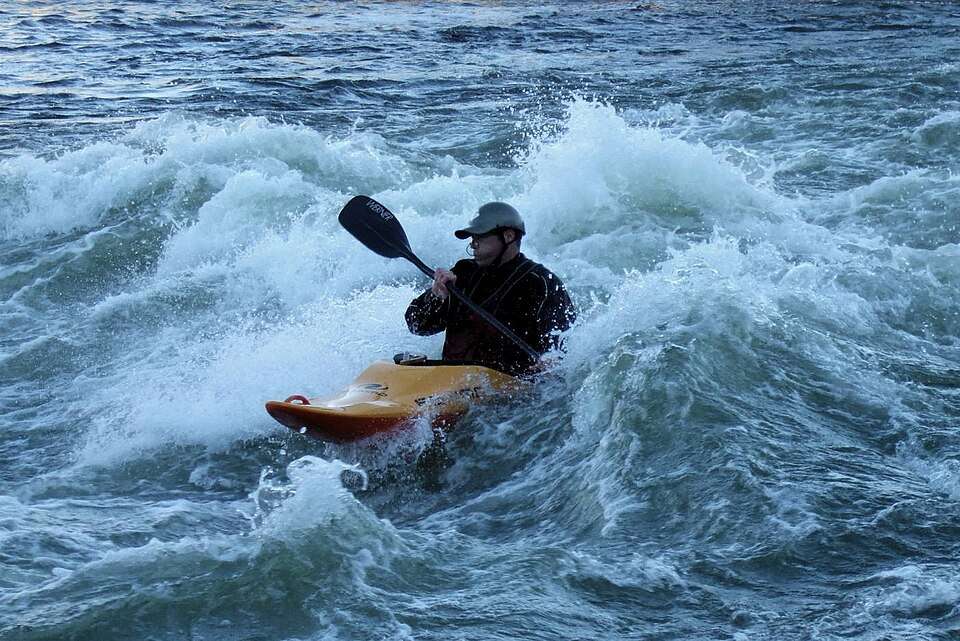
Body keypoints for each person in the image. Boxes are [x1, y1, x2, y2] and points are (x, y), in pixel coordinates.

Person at [405, 202, 576, 376]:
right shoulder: (462, 274)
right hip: (451, 382)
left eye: (479, 238)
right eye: (472, 239)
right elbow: (416, 325)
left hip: (508, 392)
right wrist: (436, 296)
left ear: (508, 236)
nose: (473, 245)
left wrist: (552, 359)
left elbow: (564, 343)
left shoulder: (542, 283)